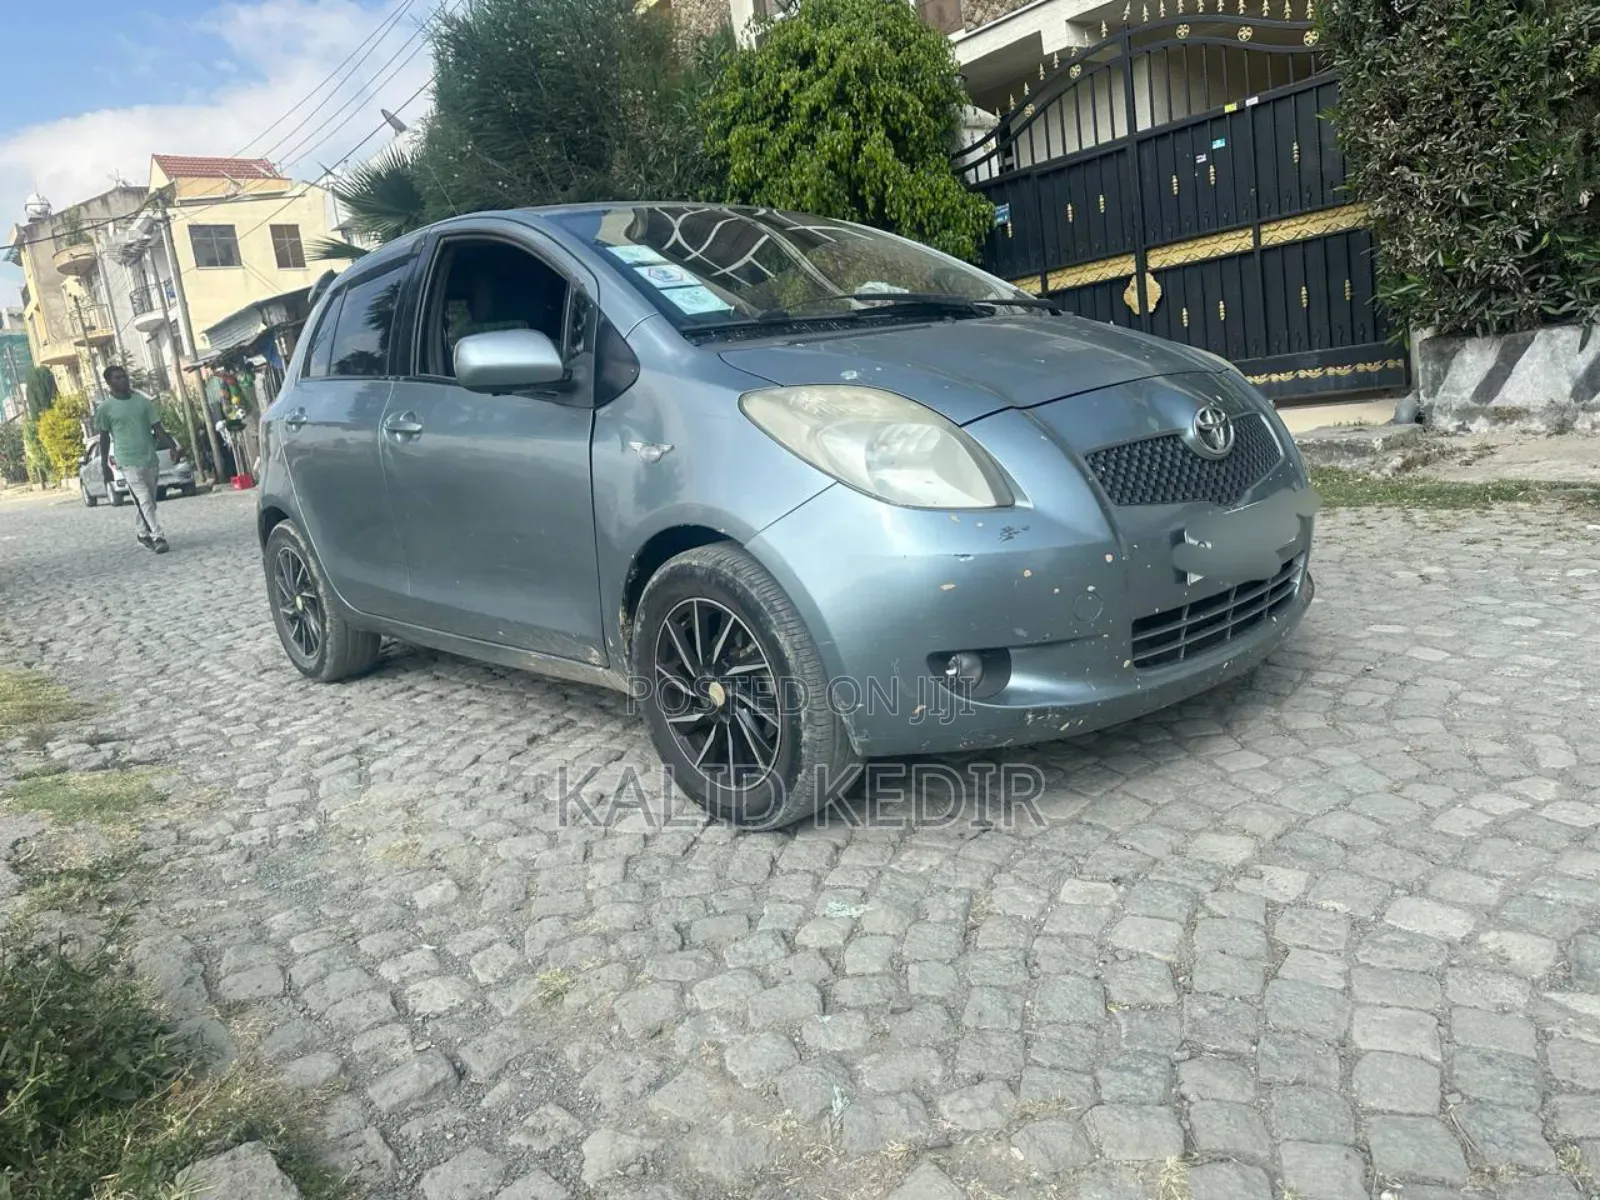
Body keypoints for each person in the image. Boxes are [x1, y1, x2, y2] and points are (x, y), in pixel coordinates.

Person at [94, 364, 182, 554]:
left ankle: (142, 533)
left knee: (150, 500)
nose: (122, 380)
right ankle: (158, 536)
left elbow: (158, 428)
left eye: (123, 376)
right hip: (127, 461)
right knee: (143, 499)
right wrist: (105, 465)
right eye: (116, 378)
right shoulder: (105, 409)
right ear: (109, 383)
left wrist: (172, 447)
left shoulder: (143, 403)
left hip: (149, 458)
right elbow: (103, 438)